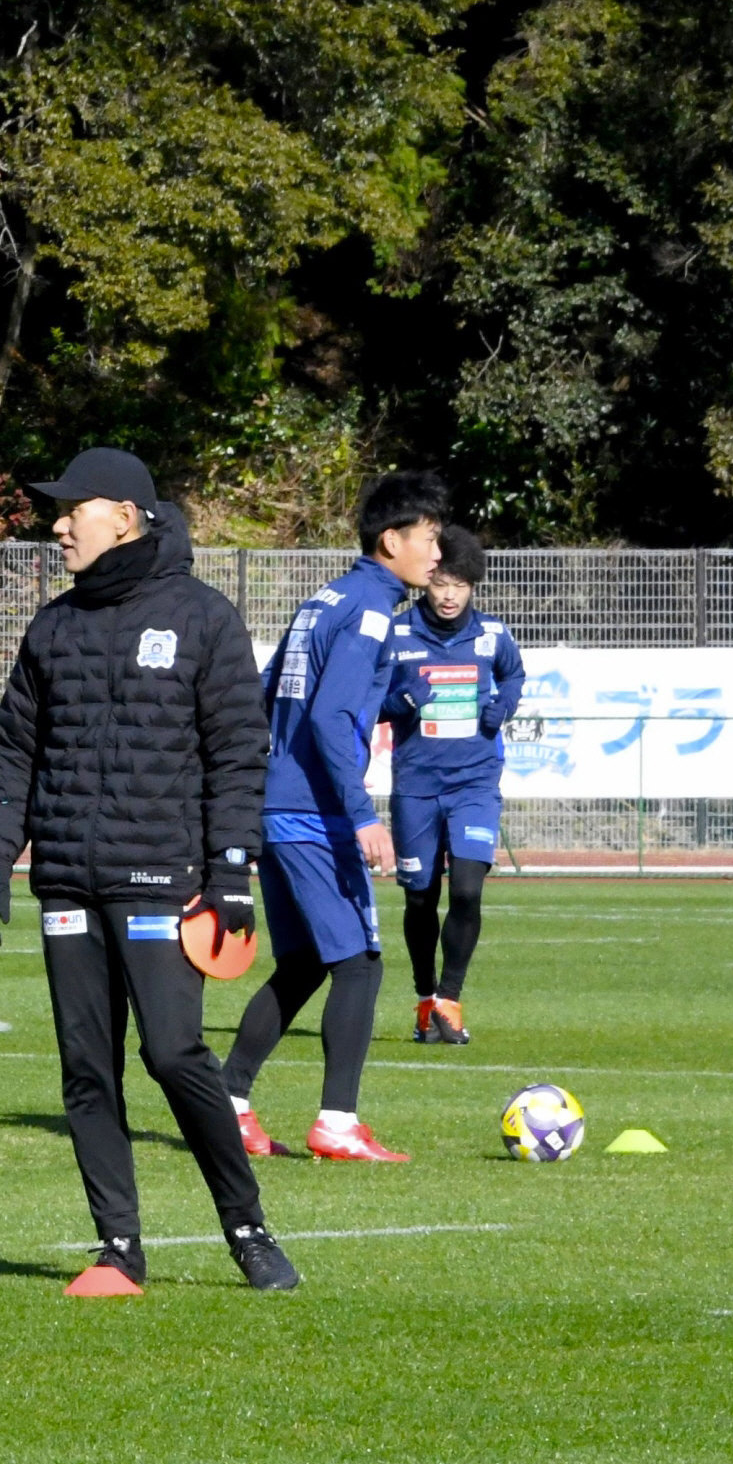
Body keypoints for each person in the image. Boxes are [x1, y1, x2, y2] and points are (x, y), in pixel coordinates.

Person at [0, 449, 297, 1295]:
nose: (58, 523)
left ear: (122, 513)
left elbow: (237, 753)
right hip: (70, 881)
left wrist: (231, 873)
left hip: (161, 878)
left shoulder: (202, 617)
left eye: (72, 508)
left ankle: (247, 1225)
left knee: (174, 1051)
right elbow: (16, 755)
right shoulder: (53, 626)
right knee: (86, 1066)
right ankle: (118, 1247)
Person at [221, 470, 451, 1162]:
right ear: (392, 539)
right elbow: (327, 714)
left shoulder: (324, 600)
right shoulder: (375, 609)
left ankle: (229, 1103)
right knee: (360, 965)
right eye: (430, 539)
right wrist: (361, 814)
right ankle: (338, 1122)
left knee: (302, 965)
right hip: (316, 814)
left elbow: (272, 696)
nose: (437, 555)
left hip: (280, 805)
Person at [385, 525, 524, 1044]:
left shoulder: (492, 634)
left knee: (467, 890)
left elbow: (513, 677)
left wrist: (503, 707)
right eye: (440, 582)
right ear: (427, 581)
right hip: (417, 786)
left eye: (459, 584)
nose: (448, 595)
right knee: (420, 898)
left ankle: (450, 998)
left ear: (473, 586)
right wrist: (400, 704)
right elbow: (371, 699)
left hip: (474, 782)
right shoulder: (397, 635)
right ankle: (425, 1000)